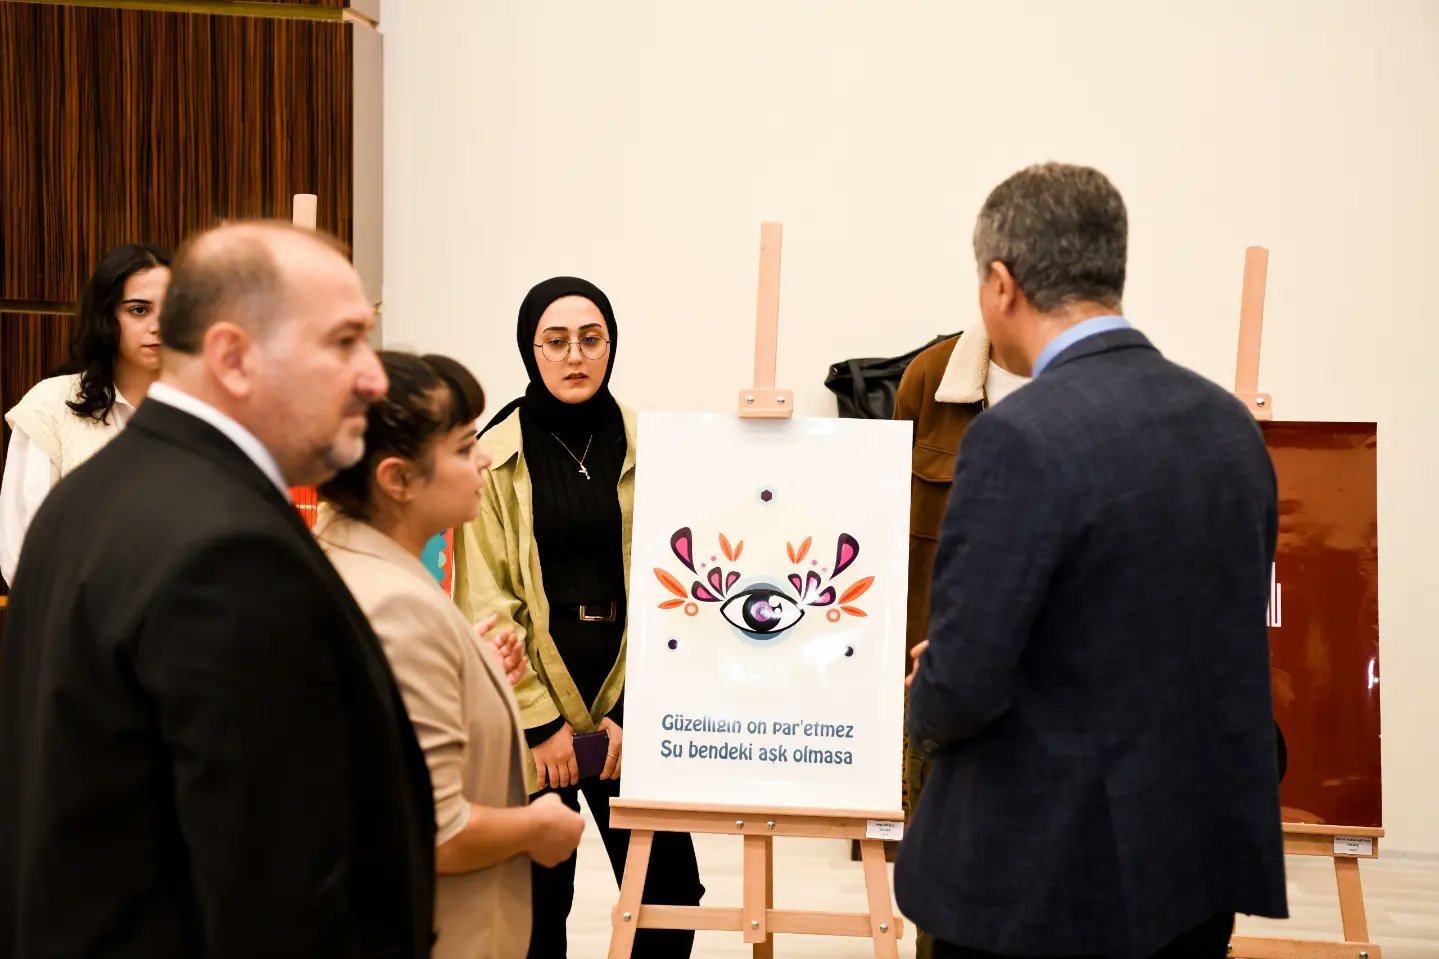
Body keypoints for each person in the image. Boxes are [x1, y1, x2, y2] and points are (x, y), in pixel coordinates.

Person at [0, 221, 437, 957]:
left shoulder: (95, 495)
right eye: (343, 342)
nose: (374, 377)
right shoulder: (229, 551)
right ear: (232, 358)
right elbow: (273, 886)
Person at [896, 163, 1287, 959]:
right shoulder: (1227, 426)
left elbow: (963, 685)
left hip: (1041, 878)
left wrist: (925, 689)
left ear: (1001, 285)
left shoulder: (1016, 435)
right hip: (1191, 865)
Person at [454, 277, 703, 958]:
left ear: (611, 347)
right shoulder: (493, 457)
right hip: (535, 717)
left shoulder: (655, 446)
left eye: (591, 340)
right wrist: (540, 725)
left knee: (669, 892)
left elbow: (683, 587)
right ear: (529, 349)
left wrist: (634, 711)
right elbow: (486, 601)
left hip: (631, 704)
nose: (574, 356)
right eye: (556, 341)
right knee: (537, 901)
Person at [317, 350, 586, 959]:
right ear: (398, 480)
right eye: (465, 447)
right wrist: (539, 826)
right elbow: (434, 831)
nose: (485, 457)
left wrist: (473, 672)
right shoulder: (395, 606)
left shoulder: (364, 563)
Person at [892, 323, 1028, 959]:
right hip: (941, 696)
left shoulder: (1102, 389)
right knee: (945, 906)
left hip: (1060, 704)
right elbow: (887, 538)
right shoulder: (931, 380)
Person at [1, 243, 170, 586]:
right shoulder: (51, 404)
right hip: (77, 614)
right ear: (106, 316)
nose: (158, 326)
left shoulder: (207, 410)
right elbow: (22, 552)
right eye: (139, 310)